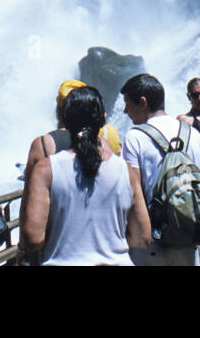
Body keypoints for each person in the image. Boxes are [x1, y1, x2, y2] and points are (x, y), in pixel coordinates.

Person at [20, 86, 150, 265]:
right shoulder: (125, 171)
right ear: (103, 120)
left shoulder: (46, 170)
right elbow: (142, 237)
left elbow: (33, 239)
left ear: (65, 120)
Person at [121, 73, 200, 266]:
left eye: (127, 104)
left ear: (142, 102)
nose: (125, 111)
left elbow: (132, 192)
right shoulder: (194, 134)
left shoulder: (134, 138)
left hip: (153, 243)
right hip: (189, 240)